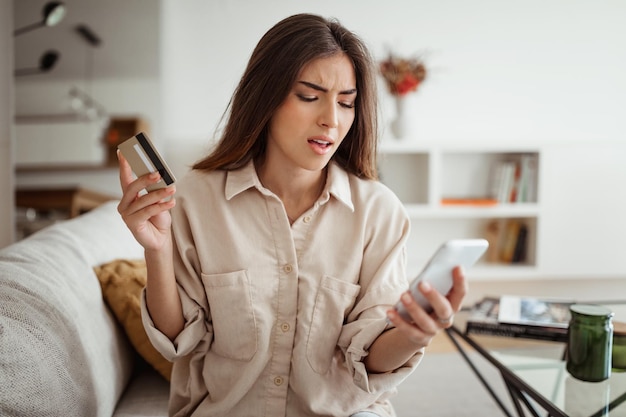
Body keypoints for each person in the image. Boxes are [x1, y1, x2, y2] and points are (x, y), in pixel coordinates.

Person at [117, 13, 467, 417]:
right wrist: (157, 251)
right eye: (309, 96)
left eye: (346, 102)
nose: (331, 120)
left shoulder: (379, 212)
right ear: (266, 97)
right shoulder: (196, 199)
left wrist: (413, 334)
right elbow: (181, 340)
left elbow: (369, 363)